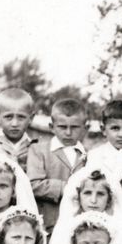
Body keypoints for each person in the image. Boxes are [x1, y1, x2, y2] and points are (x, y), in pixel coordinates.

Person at [28, 98, 89, 232]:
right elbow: (33, 184)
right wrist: (65, 187)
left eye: (74, 127)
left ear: (84, 128)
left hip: (80, 225)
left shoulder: (89, 154)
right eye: (62, 127)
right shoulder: (39, 150)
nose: (68, 133)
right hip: (49, 224)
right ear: (52, 127)